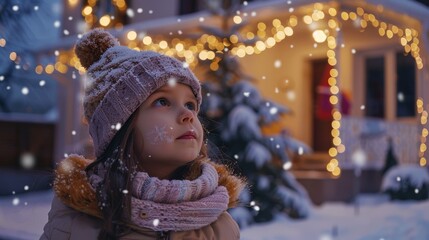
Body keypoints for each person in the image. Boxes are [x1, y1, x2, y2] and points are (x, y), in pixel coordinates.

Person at [40, 28, 245, 240]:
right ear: (120, 128)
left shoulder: (221, 228)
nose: (188, 115)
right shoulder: (75, 222)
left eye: (191, 104)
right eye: (163, 101)